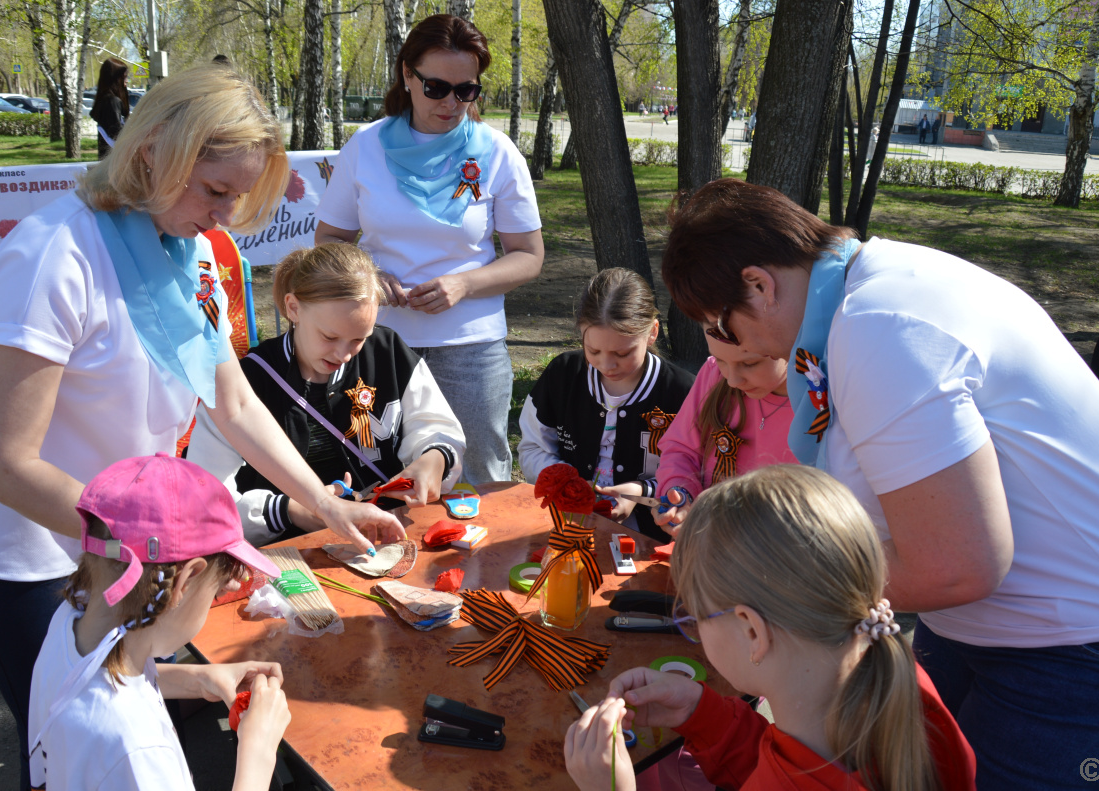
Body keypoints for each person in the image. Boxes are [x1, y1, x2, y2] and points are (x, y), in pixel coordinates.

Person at [0, 64, 400, 791]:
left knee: (124, 722)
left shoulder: (188, 252)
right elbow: (3, 463)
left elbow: (232, 402)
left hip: (119, 547)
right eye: (214, 190)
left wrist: (329, 504)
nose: (223, 216)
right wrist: (151, 548)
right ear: (154, 150)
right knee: (68, 744)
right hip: (30, 554)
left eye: (237, 199)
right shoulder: (54, 253)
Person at [659, 177, 1099, 791]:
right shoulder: (861, 300)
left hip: (1067, 650)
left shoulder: (879, 328)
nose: (720, 351)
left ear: (760, 286)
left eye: (721, 324)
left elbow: (960, 565)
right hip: (985, 630)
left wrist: (769, 592)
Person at [564, 465, 976, 791]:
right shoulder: (902, 685)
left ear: (752, 633)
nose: (694, 630)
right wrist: (702, 715)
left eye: (695, 618)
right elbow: (793, 769)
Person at [314, 13, 543, 486]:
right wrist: (368, 276)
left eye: (466, 91)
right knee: (376, 469)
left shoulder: (498, 153)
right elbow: (331, 239)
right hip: (376, 342)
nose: (451, 103)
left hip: (471, 347)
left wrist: (464, 284)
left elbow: (529, 255)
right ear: (407, 75)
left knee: (481, 475)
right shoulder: (365, 146)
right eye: (436, 87)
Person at [29, 453, 291, 791]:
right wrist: (258, 753)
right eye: (214, 594)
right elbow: (119, 719)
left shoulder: (72, 620)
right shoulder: (138, 750)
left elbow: (99, 683)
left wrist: (196, 678)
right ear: (186, 580)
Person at [187, 243, 467, 545]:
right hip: (285, 552)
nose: (344, 354)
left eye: (359, 339)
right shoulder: (246, 381)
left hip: (387, 539)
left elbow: (438, 427)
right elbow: (203, 501)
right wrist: (297, 510)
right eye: (329, 336)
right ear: (293, 308)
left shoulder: (387, 352)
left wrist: (435, 458)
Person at [518, 268, 694, 541]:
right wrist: (568, 483)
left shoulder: (683, 392)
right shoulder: (563, 373)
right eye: (594, 351)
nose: (607, 365)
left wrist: (642, 492)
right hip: (565, 522)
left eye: (622, 353)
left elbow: (695, 473)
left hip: (652, 537)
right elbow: (533, 447)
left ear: (652, 333)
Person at [652, 335, 796, 533]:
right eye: (720, 359)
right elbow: (681, 448)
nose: (733, 380)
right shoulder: (714, 374)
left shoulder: (823, 403)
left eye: (749, 363)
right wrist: (680, 493)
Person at [89, 58, 129, 160]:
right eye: (124, 78)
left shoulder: (105, 100)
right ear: (115, 79)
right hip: (114, 161)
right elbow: (116, 132)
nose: (126, 82)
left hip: (107, 160)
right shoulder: (112, 102)